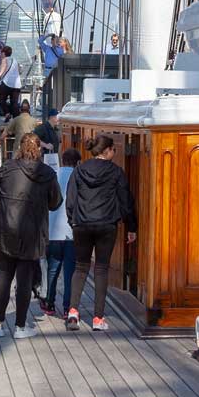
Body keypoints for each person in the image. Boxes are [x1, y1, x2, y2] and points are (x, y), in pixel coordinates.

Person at [0, 132, 60, 338]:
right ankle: (20, 326)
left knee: (4, 276)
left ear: (20, 147)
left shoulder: (7, 168)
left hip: (6, 230)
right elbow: (55, 203)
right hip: (32, 233)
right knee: (25, 280)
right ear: (39, 150)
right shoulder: (47, 174)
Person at [64, 133, 136, 331]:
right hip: (106, 225)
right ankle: (97, 319)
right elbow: (125, 201)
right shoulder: (116, 172)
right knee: (101, 269)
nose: (115, 152)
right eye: (114, 149)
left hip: (82, 224)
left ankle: (73, 312)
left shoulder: (78, 171)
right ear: (107, 151)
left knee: (80, 268)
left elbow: (70, 200)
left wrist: (73, 221)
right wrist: (131, 227)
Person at [42, 148, 80, 326]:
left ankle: (49, 302)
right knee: (70, 272)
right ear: (77, 162)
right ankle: (67, 308)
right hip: (71, 232)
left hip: (52, 231)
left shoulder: (53, 175)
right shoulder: (78, 177)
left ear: (62, 160)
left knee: (52, 269)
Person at [0, 45, 22, 119]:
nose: (1, 55)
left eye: (1, 53)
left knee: (1, 100)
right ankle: (16, 119)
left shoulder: (4, 60)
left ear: (4, 53)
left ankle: (7, 113)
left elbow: (3, 68)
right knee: (14, 103)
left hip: (7, 83)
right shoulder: (15, 60)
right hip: (17, 85)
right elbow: (19, 71)